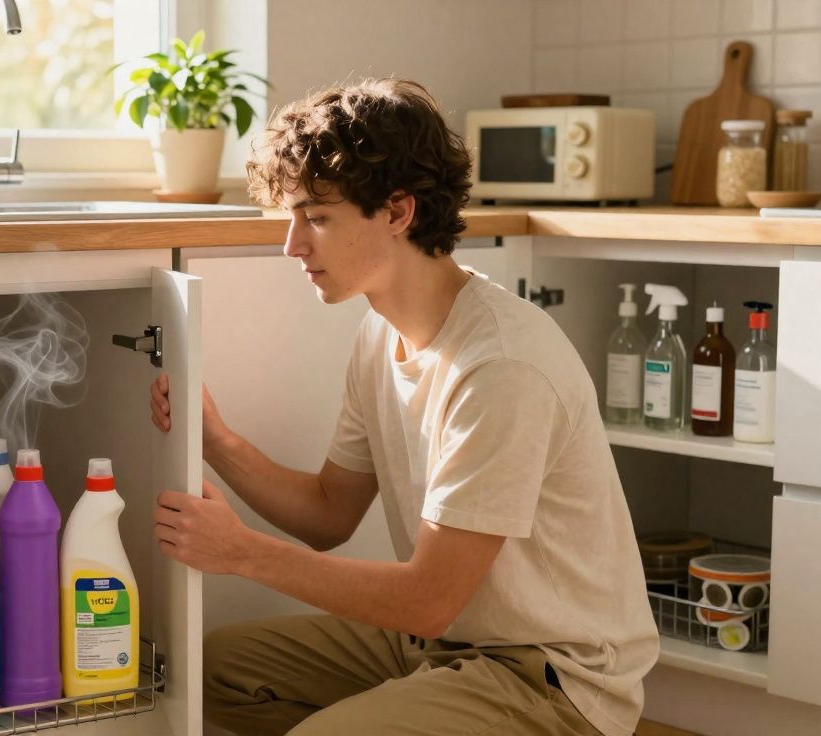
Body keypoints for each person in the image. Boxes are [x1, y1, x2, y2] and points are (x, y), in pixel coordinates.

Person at [149, 78, 659, 736]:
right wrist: (218, 443)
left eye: (318, 217)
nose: (293, 245)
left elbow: (428, 598)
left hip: (552, 677)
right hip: (446, 644)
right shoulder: (380, 334)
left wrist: (242, 553)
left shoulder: (499, 367)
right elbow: (331, 513)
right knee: (215, 670)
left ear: (397, 212)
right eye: (292, 217)